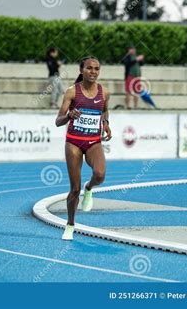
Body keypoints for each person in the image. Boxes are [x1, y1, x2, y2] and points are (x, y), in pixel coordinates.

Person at [55, 56, 112, 240]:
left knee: (100, 175)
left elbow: (104, 110)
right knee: (74, 189)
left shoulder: (104, 92)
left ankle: (90, 188)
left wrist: (106, 124)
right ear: (81, 70)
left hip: (93, 141)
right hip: (74, 142)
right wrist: (70, 115)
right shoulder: (72, 92)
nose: (93, 72)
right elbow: (58, 121)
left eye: (96, 68)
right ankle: (70, 225)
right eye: (89, 68)